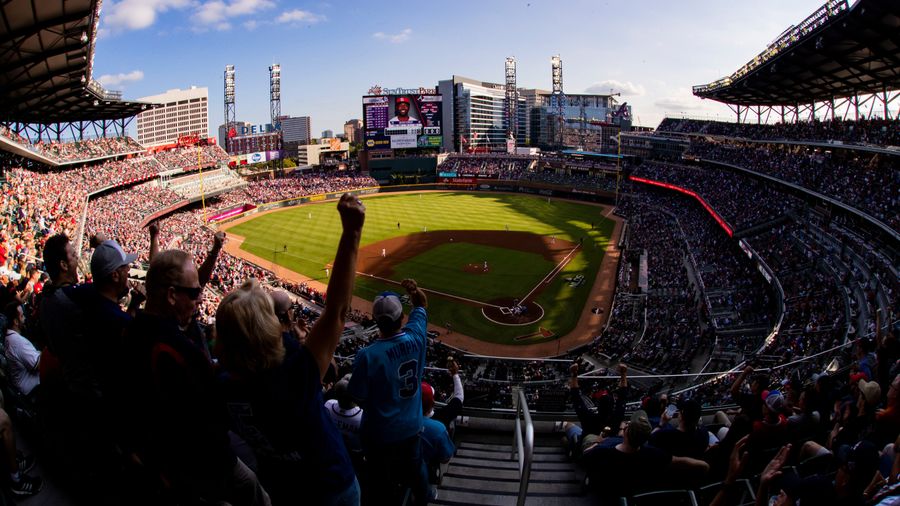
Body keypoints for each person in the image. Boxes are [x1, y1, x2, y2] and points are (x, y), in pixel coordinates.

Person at [216, 193, 365, 505]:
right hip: (331, 486)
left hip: (283, 489)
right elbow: (337, 311)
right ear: (268, 327)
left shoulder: (223, 386)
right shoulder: (294, 372)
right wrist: (351, 231)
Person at [121, 249, 269, 505]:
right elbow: (213, 419)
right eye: (193, 293)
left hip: (160, 457)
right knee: (256, 493)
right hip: (201, 462)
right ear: (171, 296)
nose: (199, 299)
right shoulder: (178, 350)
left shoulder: (130, 330)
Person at [349, 278, 429, 505]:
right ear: (401, 317)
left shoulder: (368, 355)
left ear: (375, 320)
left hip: (379, 433)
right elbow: (421, 305)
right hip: (412, 426)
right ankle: (424, 497)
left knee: (381, 478)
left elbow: (357, 395)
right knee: (416, 468)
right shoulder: (417, 337)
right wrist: (413, 290)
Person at [3, 302, 40, 403]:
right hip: (34, 391)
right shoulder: (17, 342)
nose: (24, 319)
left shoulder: (10, 337)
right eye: (22, 316)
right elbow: (37, 364)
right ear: (15, 321)